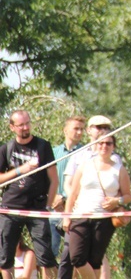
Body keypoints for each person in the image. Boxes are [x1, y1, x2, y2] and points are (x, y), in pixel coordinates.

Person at [62, 135, 131, 279]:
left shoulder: (119, 169)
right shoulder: (85, 166)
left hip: (104, 219)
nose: (104, 146)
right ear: (95, 145)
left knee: (95, 261)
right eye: (101, 143)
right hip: (81, 216)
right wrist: (66, 218)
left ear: (113, 146)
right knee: (76, 257)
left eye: (108, 143)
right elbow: (73, 194)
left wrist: (116, 201)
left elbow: (127, 196)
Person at [0, 110, 59, 279]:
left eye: (28, 123)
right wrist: (20, 170)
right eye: (21, 125)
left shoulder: (43, 146)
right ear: (12, 127)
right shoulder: (6, 149)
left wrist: (48, 204)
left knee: (46, 256)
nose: (26, 128)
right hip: (11, 208)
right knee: (5, 256)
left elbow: (54, 179)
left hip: (37, 208)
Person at [58, 114, 119, 279]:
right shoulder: (79, 155)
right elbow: (67, 183)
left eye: (106, 127)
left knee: (97, 257)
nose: (103, 130)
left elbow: (121, 187)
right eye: (98, 127)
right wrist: (74, 203)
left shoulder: (115, 158)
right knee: (73, 254)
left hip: (102, 215)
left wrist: (116, 200)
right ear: (89, 130)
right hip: (79, 213)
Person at [50, 116, 85, 258]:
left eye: (82, 129)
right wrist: (52, 198)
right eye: (76, 128)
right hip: (53, 209)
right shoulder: (53, 153)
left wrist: (65, 198)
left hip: (75, 209)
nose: (79, 132)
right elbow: (45, 179)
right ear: (65, 130)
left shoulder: (86, 153)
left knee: (74, 253)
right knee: (49, 252)